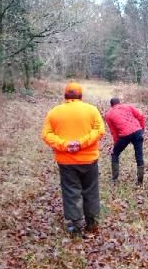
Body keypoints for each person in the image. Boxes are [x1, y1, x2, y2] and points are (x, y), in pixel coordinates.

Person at [41, 82, 105, 235]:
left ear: (65, 96)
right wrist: (81, 143)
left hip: (66, 161)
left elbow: (46, 135)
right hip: (89, 160)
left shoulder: (54, 112)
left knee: (71, 191)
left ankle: (76, 226)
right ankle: (91, 223)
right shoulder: (92, 110)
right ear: (81, 96)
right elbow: (99, 131)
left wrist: (65, 145)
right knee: (90, 190)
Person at [104, 97, 146, 185]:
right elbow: (141, 116)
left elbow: (113, 131)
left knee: (115, 153)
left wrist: (116, 143)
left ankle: (114, 178)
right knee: (139, 155)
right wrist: (142, 129)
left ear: (111, 105)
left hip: (124, 135)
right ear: (120, 103)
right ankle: (140, 181)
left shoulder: (108, 114)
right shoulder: (128, 106)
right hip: (137, 131)